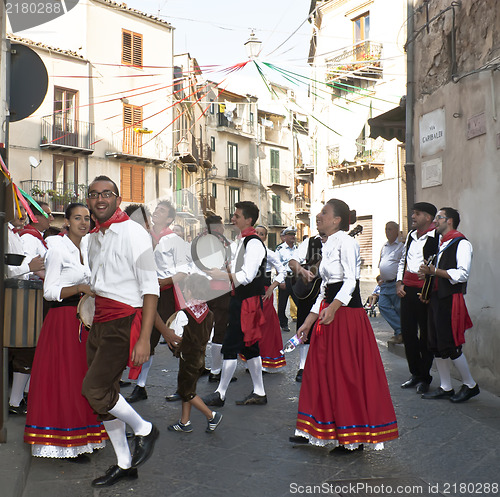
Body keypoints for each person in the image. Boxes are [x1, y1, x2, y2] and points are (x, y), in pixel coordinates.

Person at [290, 199, 398, 451]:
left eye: (324, 213)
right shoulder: (327, 244)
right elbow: (325, 290)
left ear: (337, 219)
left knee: (345, 376)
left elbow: (351, 280)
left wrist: (334, 309)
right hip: (331, 314)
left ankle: (352, 438)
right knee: (319, 374)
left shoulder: (347, 242)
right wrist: (308, 321)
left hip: (346, 318)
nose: (318, 216)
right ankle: (314, 428)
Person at [82, 175, 161, 487]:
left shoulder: (135, 233)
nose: (100, 199)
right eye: (94, 194)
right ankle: (125, 463)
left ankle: (144, 429)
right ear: (88, 200)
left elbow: (150, 289)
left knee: (94, 390)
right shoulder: (93, 238)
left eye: (107, 194)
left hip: (123, 323)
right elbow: (98, 282)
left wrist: (144, 339)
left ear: (117, 198)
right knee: (106, 396)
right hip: (100, 321)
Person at [24, 203, 108, 460]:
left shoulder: (87, 247)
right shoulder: (57, 247)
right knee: (66, 380)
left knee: (82, 379)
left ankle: (82, 436)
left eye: (87, 219)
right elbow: (49, 291)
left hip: (83, 322)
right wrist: (80, 288)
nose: (83, 223)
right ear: (67, 222)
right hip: (62, 321)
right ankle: (63, 441)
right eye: (78, 218)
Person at [203, 201, 268, 406]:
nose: (233, 218)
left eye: (237, 216)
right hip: (240, 299)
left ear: (248, 219)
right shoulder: (241, 241)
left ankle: (220, 394)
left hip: (247, 301)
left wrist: (222, 274)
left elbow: (247, 276)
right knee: (250, 347)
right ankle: (259, 392)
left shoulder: (253, 243)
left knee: (230, 345)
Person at [126, 200, 188, 404]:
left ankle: (185, 386)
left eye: (162, 211)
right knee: (146, 337)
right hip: (143, 291)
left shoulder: (174, 240)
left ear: (170, 219)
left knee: (174, 340)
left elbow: (184, 271)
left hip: (166, 294)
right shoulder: (144, 235)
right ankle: (140, 385)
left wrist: (164, 281)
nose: (156, 212)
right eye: (156, 209)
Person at [418, 208, 479, 403]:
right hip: (437, 299)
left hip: (450, 299)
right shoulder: (442, 244)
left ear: (449, 221)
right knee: (435, 344)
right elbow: (437, 273)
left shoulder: (462, 243)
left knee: (451, 344)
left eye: (439, 218)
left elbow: (462, 274)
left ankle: (470, 385)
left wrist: (434, 271)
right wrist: (428, 278)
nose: (435, 221)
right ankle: (446, 386)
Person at [167, 274, 223, 433]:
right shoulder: (209, 312)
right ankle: (184, 422)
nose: (183, 290)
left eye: (185, 288)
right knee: (189, 388)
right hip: (200, 357)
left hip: (187, 358)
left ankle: (211, 415)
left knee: (186, 391)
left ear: (190, 291)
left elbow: (177, 337)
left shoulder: (183, 314)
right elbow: (209, 337)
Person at [5, 205, 44, 415]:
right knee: (23, 350)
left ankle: (19, 399)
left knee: (28, 350)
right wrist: (31, 267)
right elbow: (8, 270)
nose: (23, 213)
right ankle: (15, 401)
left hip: (21, 296)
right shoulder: (8, 232)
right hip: (14, 297)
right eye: (19, 208)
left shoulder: (13, 233)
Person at [397, 202, 439, 394]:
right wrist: (399, 282)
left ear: (428, 218)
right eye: (413, 213)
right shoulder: (411, 237)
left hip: (425, 292)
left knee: (425, 335)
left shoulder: (436, 237)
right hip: (407, 290)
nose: (413, 217)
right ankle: (414, 373)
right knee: (408, 333)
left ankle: (425, 376)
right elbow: (403, 260)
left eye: (417, 214)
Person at [288, 217, 325, 382]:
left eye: (321, 219)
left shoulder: (339, 243)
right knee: (303, 327)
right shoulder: (310, 242)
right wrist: (303, 272)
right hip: (308, 293)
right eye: (316, 220)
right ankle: (302, 366)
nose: (318, 222)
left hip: (329, 292)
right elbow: (292, 262)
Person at [204, 215, 233, 383]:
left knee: (206, 330)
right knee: (220, 331)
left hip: (206, 291)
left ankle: (204, 366)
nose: (223, 228)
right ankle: (215, 371)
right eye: (220, 226)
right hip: (220, 291)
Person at [255, 225, 286, 371]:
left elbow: (282, 272)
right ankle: (253, 359)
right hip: (249, 293)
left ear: (265, 237)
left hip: (264, 293)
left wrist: (272, 288)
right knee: (251, 326)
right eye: (257, 233)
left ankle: (264, 361)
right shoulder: (245, 253)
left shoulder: (270, 253)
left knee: (264, 326)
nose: (259, 235)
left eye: (262, 234)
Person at [377, 222, 404, 344]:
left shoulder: (401, 246)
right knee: (382, 306)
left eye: (390, 229)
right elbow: (381, 263)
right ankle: (401, 330)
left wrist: (400, 282)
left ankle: (400, 333)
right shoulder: (385, 246)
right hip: (385, 283)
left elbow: (402, 265)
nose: (387, 231)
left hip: (395, 283)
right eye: (386, 229)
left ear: (397, 231)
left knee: (398, 308)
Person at [276, 227, 298, 332]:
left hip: (295, 278)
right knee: (282, 303)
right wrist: (281, 281)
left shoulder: (297, 249)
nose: (292, 237)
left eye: (293, 235)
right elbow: (277, 266)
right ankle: (283, 323)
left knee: (299, 301)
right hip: (285, 277)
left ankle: (302, 320)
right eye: (290, 235)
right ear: (285, 237)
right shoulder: (280, 249)